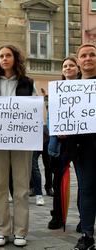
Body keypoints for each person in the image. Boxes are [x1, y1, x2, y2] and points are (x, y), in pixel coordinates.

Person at [0, 45, 34, 247]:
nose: (4, 59)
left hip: (22, 141)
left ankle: (21, 231)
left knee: (22, 187)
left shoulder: (27, 83)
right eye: (1, 56)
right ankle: (2, 230)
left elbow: (33, 109)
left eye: (8, 55)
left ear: (15, 58)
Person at [47, 56, 81, 230]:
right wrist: (57, 130)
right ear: (62, 70)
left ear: (78, 69)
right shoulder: (55, 90)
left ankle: (84, 218)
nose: (68, 68)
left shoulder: (87, 88)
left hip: (81, 141)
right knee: (58, 181)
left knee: (83, 181)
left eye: (71, 65)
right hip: (60, 143)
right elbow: (51, 115)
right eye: (65, 66)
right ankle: (58, 216)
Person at [68, 44, 96, 250]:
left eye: (92, 54)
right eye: (84, 55)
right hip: (82, 148)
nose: (88, 58)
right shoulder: (69, 88)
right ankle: (87, 234)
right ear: (78, 61)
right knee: (86, 190)